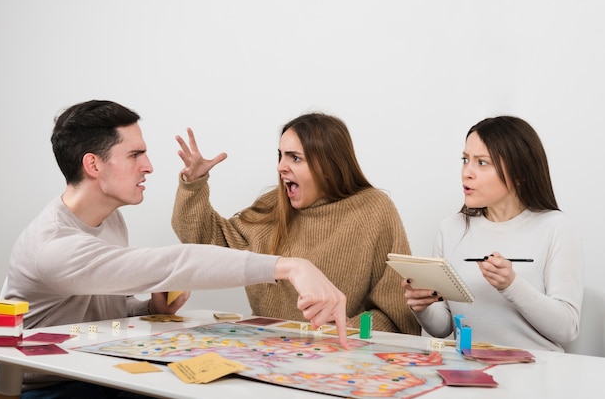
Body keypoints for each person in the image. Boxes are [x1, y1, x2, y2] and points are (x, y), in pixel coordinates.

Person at [5, 100, 349, 399]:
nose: (149, 166)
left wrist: (150, 307)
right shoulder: (53, 247)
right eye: (135, 154)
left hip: (99, 372)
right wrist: (290, 267)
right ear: (93, 165)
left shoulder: (109, 220)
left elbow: (105, 311)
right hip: (54, 387)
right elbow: (175, 262)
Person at [171, 113, 420, 335]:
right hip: (269, 356)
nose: (281, 167)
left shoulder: (374, 210)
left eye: (295, 158)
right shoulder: (271, 207)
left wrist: (350, 328)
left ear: (327, 165)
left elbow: (396, 315)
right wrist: (194, 182)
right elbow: (207, 243)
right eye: (280, 156)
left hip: (341, 360)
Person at [402, 115, 583, 352]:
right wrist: (422, 308)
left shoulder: (556, 227)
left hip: (537, 374)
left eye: (482, 162)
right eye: (465, 159)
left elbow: (567, 328)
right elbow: (444, 327)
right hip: (466, 372)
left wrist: (511, 285)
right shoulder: (451, 229)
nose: (467, 172)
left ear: (519, 174)